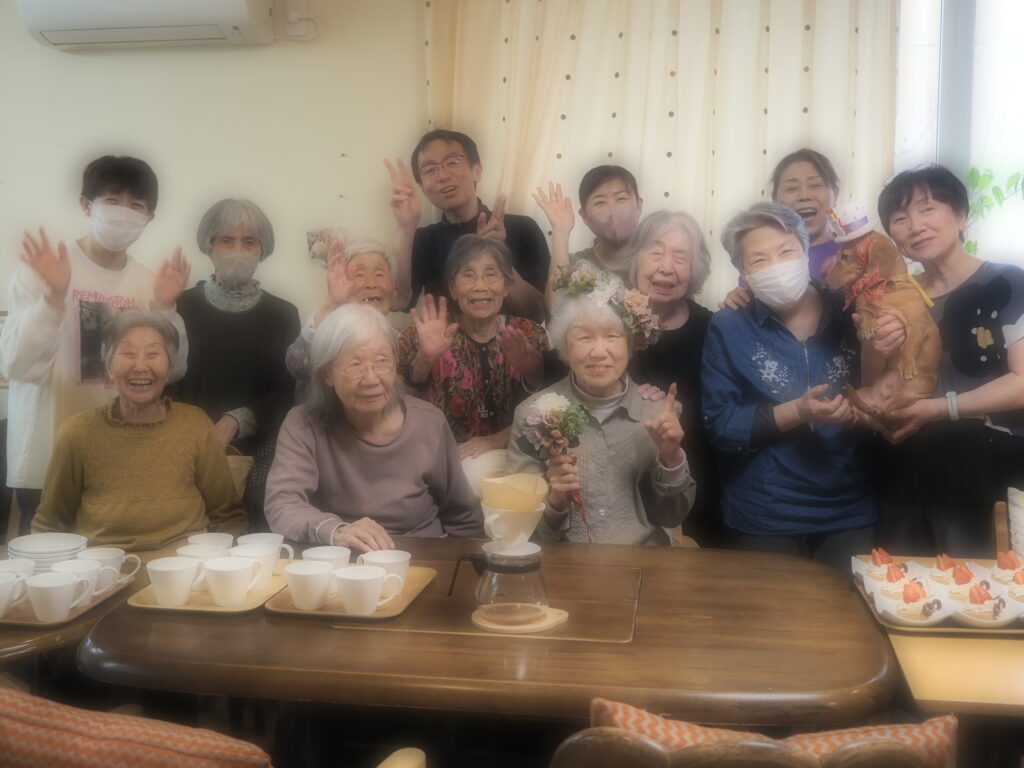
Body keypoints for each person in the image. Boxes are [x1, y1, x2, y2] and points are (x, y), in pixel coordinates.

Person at [0, 156, 190, 536]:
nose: (124, 213)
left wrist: (166, 307)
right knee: (51, 564)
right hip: (47, 455)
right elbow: (16, 365)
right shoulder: (46, 270)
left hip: (120, 456)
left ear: (149, 218)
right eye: (112, 201)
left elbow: (174, 368)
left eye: (136, 205)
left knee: (112, 561)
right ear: (86, 205)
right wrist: (52, 298)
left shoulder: (147, 282)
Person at [702, 203, 877, 572]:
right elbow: (721, 424)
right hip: (764, 514)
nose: (777, 266)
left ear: (806, 252)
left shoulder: (852, 310)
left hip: (849, 510)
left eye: (786, 252)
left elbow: (887, 393)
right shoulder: (729, 325)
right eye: (759, 260)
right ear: (743, 273)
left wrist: (859, 413)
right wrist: (798, 411)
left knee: (848, 609)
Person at [873, 166, 1024, 557]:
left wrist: (939, 409)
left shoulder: (1008, 282)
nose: (915, 226)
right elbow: (877, 385)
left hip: (989, 474)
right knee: (902, 584)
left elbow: (1022, 381)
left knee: (981, 585)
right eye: (900, 218)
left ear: (961, 217)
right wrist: (875, 346)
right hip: (908, 470)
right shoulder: (895, 296)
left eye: (928, 209)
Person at [265, 304, 484, 550]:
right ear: (327, 374)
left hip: (419, 556)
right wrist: (336, 531)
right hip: (340, 557)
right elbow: (282, 504)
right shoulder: (303, 424)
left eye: (382, 361)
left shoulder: (429, 423)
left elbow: (463, 517)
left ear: (395, 365)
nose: (371, 379)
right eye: (354, 364)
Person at [506, 265, 695, 545]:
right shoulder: (532, 414)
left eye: (612, 336)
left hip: (642, 561)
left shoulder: (656, 414)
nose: (598, 351)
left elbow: (672, 516)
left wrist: (672, 458)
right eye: (584, 337)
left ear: (629, 345)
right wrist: (556, 499)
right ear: (565, 347)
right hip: (566, 562)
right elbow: (518, 527)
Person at [32, 311, 247, 551]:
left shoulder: (195, 425)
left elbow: (229, 517)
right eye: (128, 353)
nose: (141, 366)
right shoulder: (77, 433)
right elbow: (49, 526)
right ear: (109, 366)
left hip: (187, 567)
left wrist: (219, 563)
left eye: (153, 354)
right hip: (106, 569)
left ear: (169, 369)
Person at [172, 198, 300, 531]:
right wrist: (198, 435)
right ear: (209, 245)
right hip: (185, 448)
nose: (238, 251)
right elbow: (168, 381)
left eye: (249, 242)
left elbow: (286, 390)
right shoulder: (181, 305)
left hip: (259, 451)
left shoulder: (283, 314)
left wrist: (236, 420)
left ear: (262, 249)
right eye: (226, 241)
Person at [398, 235, 548, 494]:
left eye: (491, 274)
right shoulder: (423, 334)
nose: (480, 286)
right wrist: (424, 359)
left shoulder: (530, 334)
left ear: (506, 286)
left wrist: (534, 371)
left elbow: (554, 407)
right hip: (446, 458)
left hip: (522, 450)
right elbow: (396, 407)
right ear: (453, 288)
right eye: (468, 275)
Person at [625, 211, 722, 546]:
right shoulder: (607, 320)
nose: (666, 267)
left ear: (695, 269)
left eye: (681, 257)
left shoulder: (713, 327)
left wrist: (680, 415)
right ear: (635, 258)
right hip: (623, 476)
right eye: (656, 252)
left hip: (697, 475)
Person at [385, 130, 549, 321]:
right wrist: (405, 228)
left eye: (453, 162)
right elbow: (398, 301)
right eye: (430, 170)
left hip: (515, 339)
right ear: (422, 187)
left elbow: (539, 311)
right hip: (446, 340)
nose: (442, 176)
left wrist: (500, 256)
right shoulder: (424, 240)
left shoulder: (523, 228)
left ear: (476, 171)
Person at [285, 238, 410, 400]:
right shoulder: (327, 331)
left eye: (380, 274)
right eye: (360, 274)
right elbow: (297, 366)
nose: (371, 284)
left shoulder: (402, 341)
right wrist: (331, 303)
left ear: (394, 292)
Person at [721, 149, 842, 310]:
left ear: (836, 194)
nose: (804, 196)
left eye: (815, 185)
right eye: (792, 188)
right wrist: (738, 300)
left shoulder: (856, 251)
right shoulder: (759, 256)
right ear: (775, 199)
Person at [533, 165, 644, 310]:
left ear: (639, 206)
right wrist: (560, 230)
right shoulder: (573, 265)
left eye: (621, 198)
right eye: (600, 202)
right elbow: (556, 308)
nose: (613, 210)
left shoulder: (658, 262)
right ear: (584, 216)